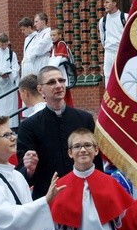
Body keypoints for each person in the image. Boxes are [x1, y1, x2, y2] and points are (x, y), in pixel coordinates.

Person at [17, 66, 104, 200]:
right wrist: (29, 170)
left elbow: (96, 160)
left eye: (61, 80)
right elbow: (23, 174)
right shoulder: (28, 126)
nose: (58, 85)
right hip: (48, 197)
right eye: (52, 82)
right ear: (40, 89)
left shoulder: (84, 119)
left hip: (83, 194)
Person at [98, 0, 128, 86]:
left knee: (124, 75)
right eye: (104, 2)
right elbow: (103, 38)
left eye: (107, 2)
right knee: (108, 76)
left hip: (122, 52)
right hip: (109, 52)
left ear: (114, 3)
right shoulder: (103, 21)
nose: (104, 5)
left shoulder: (125, 17)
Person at [48, 27, 74, 107]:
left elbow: (59, 58)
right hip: (57, 71)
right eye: (51, 35)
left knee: (63, 90)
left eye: (54, 35)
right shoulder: (54, 46)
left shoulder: (61, 44)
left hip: (62, 71)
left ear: (60, 36)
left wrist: (50, 69)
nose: (52, 37)